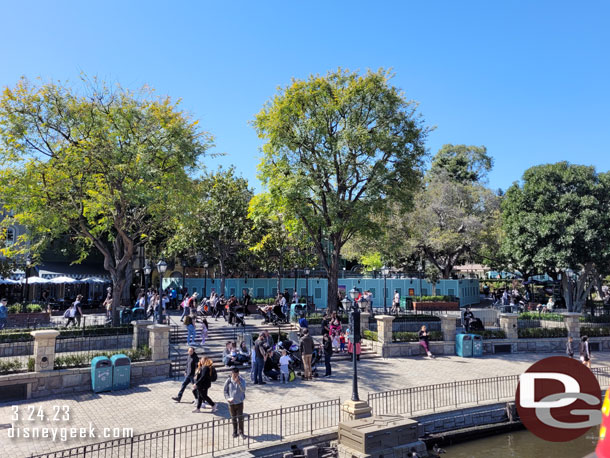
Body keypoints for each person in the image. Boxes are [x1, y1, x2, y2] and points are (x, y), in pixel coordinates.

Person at [224, 367, 247, 439]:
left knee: (240, 417)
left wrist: (239, 383)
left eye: (236, 375)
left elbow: (243, 390)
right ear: (232, 373)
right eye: (234, 375)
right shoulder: (228, 381)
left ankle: (241, 432)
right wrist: (228, 398)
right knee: (233, 418)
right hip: (231, 403)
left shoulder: (242, 380)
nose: (235, 377)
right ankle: (235, 431)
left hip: (239, 402)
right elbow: (225, 391)